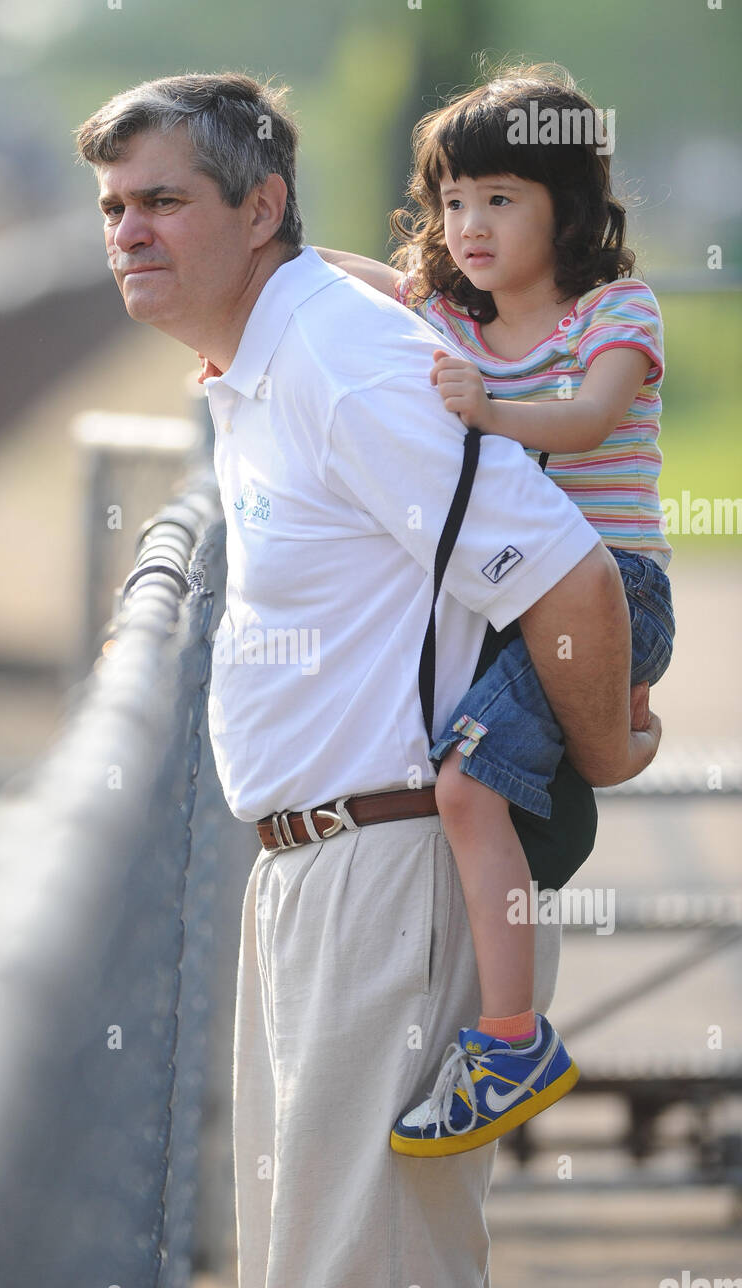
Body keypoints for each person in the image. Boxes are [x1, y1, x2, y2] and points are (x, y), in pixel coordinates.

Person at [74, 71, 661, 1288]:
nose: (128, 230)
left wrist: (601, 751)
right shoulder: (270, 353)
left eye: (164, 201)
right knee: (309, 1276)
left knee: (371, 1282)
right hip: (314, 872)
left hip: (390, 876)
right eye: (115, 206)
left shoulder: (343, 364)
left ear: (262, 205)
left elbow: (575, 579)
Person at [314, 63, 675, 1157]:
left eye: (500, 198)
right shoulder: (451, 320)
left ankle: (512, 1039)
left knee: (467, 785)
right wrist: (241, 300)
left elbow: (588, 419)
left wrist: (491, 407)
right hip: (509, 600)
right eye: (452, 199)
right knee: (461, 781)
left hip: (608, 588)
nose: (468, 224)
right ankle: (613, 741)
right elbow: (340, 276)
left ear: (565, 204)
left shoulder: (613, 310)